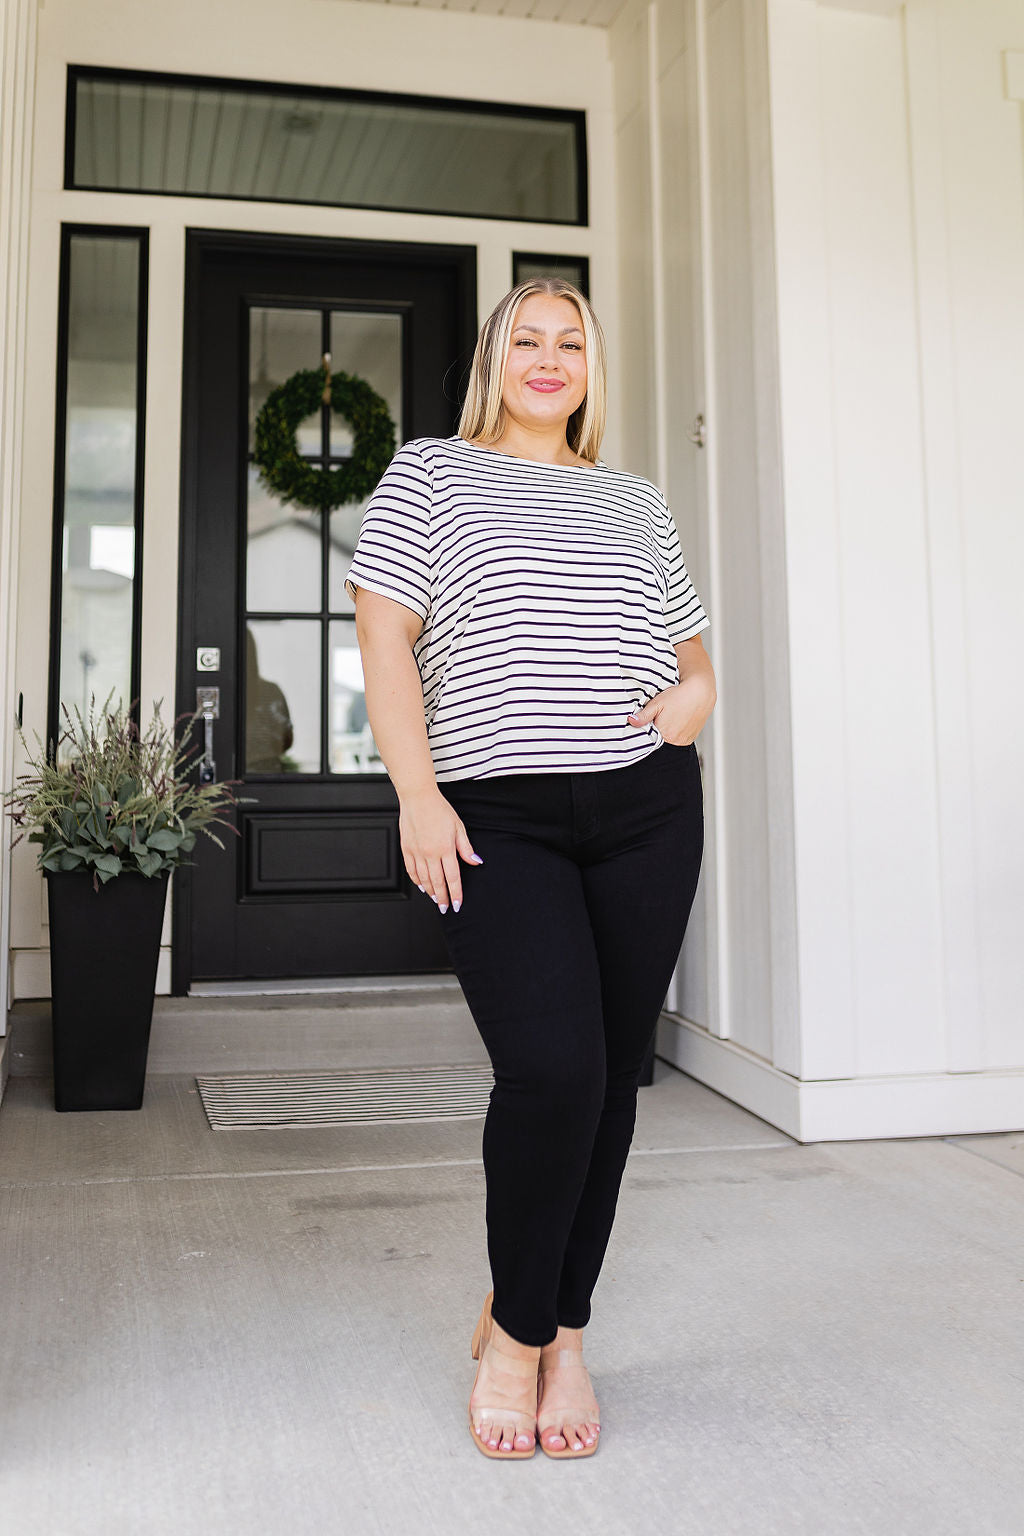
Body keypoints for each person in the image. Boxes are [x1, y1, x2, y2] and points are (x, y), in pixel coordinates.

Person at [344, 277, 716, 1460]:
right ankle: (515, 1334)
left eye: (570, 344)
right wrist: (416, 793)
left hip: (645, 807)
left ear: (591, 369)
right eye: (528, 341)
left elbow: (691, 653)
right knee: (553, 1072)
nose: (549, 359)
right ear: (494, 361)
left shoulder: (634, 499)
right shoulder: (429, 474)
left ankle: (564, 1333)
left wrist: (696, 697)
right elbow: (384, 639)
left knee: (612, 1081)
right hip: (496, 813)